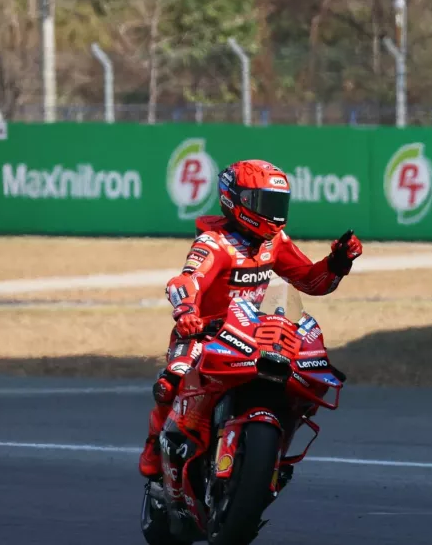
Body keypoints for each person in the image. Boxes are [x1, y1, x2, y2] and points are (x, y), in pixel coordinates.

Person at [137, 159, 363, 479]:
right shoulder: (213, 243)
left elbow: (312, 282)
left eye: (278, 203)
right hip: (204, 332)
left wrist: (338, 262)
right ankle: (154, 445)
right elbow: (186, 281)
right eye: (264, 203)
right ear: (236, 200)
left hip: (249, 331)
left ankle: (272, 451)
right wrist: (186, 313)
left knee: (295, 377)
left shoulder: (275, 243)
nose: (273, 213)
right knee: (172, 378)